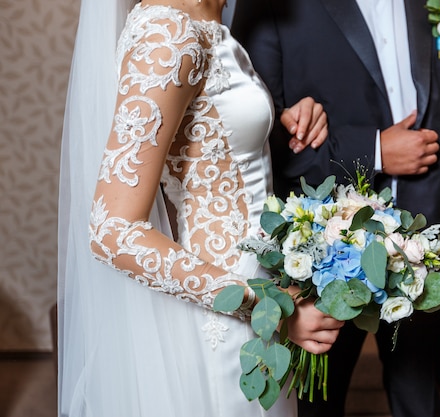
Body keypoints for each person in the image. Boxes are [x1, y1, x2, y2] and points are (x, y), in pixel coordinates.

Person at [57, 0, 342, 416]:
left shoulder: (209, 20)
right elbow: (112, 231)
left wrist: (279, 122)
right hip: (224, 316)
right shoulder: (168, 36)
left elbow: (207, 149)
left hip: (261, 300)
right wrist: (269, 306)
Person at [231, 0, 440, 416]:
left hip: (426, 244)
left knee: (421, 401)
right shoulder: (273, 4)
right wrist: (375, 151)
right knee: (315, 406)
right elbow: (257, 134)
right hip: (322, 249)